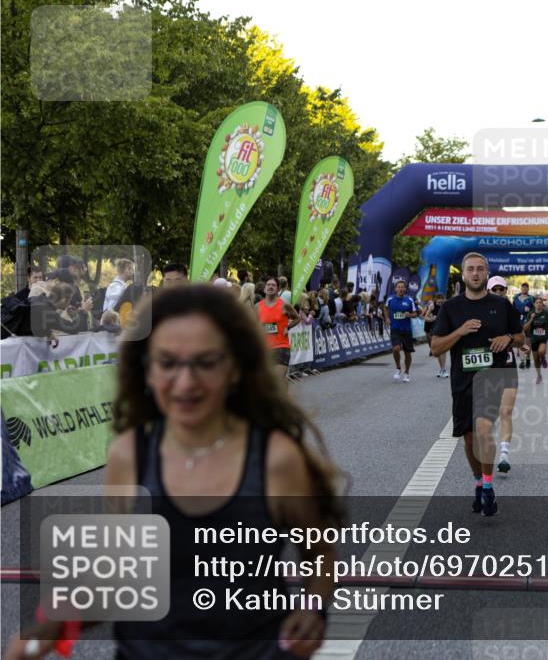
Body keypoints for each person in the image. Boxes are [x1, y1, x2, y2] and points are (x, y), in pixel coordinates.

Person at [4, 284, 344, 660]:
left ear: (234, 367)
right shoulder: (128, 455)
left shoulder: (276, 460)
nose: (185, 383)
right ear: (146, 370)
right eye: (167, 363)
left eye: (205, 362)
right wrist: (47, 630)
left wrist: (314, 608)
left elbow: (319, 552)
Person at [432, 255, 522, 515]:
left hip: (492, 377)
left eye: (480, 269)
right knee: (469, 438)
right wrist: (459, 332)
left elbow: (520, 337)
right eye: (470, 269)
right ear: (463, 275)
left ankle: (488, 485)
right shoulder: (450, 307)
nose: (475, 273)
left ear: (486, 273)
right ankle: (478, 482)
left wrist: (507, 338)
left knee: (483, 429)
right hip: (462, 381)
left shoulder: (501, 304)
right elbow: (436, 346)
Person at [485, 276, 519, 473]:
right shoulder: (477, 311)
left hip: (507, 365)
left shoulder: (510, 311)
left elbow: (520, 336)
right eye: (494, 289)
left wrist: (513, 340)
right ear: (488, 290)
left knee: (505, 412)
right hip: (485, 369)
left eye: (502, 289)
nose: (499, 293)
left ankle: (504, 455)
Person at [257, 277, 300, 391]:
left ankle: (282, 403)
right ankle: (282, 400)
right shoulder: (258, 306)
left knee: (278, 378)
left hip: (281, 346)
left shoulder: (284, 305)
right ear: (265, 288)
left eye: (273, 285)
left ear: (277, 289)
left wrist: (288, 327)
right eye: (268, 285)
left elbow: (297, 318)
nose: (270, 287)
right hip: (265, 349)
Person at [384, 279, 419, 382]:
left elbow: (415, 313)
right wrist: (386, 318)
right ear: (395, 289)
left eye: (402, 287)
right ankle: (398, 368)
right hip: (395, 329)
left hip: (406, 330)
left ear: (405, 289)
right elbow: (385, 308)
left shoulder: (409, 300)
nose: (401, 289)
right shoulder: (390, 299)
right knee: (396, 348)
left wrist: (410, 315)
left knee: (408, 353)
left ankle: (407, 373)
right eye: (399, 287)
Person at [524, 296, 548, 385]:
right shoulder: (531, 313)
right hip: (534, 339)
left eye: (540, 302)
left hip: (543, 338)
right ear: (534, 304)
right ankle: (539, 376)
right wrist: (532, 318)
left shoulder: (546, 313)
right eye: (537, 303)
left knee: (541, 351)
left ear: (542, 304)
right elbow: (525, 328)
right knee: (536, 361)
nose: (539, 304)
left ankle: (543, 357)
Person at [422, 293, 448, 377]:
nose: (440, 302)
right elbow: (425, 317)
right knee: (438, 350)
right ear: (435, 300)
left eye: (441, 300)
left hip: (444, 328)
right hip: (435, 329)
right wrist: (431, 319)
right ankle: (442, 369)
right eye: (438, 300)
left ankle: (443, 369)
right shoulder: (432, 306)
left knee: (443, 349)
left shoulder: (446, 305)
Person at [512, 282, 534, 369]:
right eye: (523, 287)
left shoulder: (531, 299)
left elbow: (536, 310)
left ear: (528, 289)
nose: (524, 289)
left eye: (526, 288)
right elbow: (512, 309)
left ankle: (528, 358)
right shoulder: (515, 298)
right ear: (521, 288)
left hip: (528, 322)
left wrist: (530, 310)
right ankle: (522, 361)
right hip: (518, 322)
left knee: (527, 343)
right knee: (521, 342)